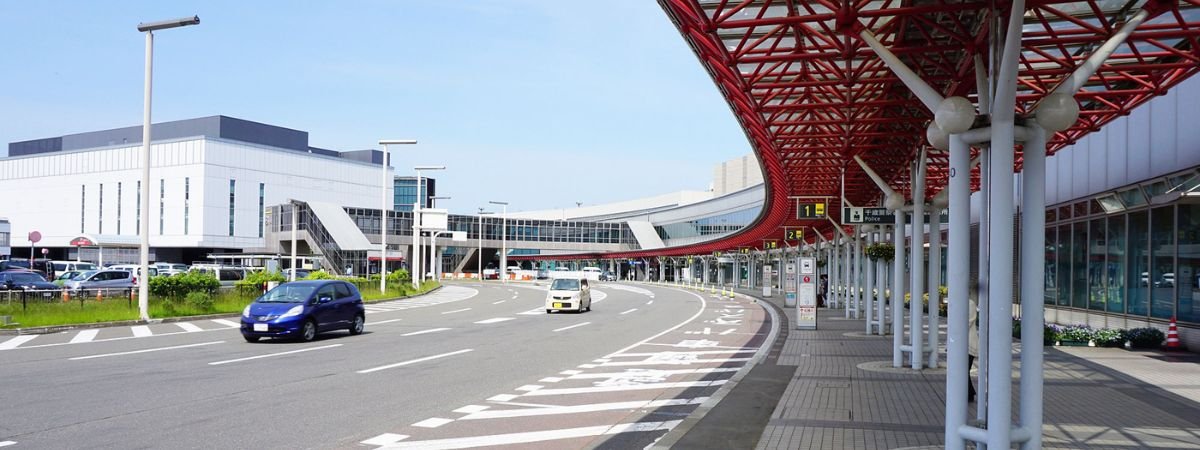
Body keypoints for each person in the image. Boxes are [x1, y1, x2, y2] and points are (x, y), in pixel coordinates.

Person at [967, 295, 979, 403]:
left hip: (968, 344)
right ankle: (969, 393)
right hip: (960, 344)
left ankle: (969, 393)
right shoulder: (957, 303)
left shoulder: (970, 304)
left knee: (964, 369)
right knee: (963, 370)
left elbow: (968, 322)